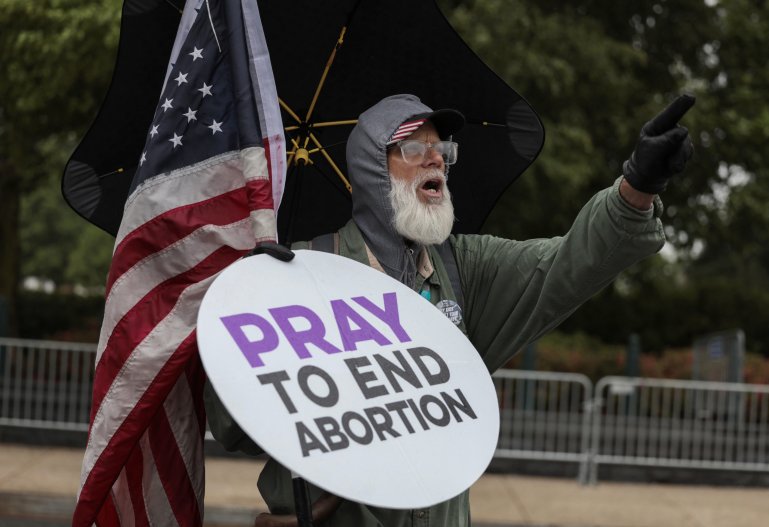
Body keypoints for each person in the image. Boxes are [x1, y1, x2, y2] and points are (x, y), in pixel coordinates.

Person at [205, 93, 694, 526]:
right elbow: (231, 428)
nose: (436, 159)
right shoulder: (302, 274)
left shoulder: (465, 269)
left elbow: (566, 265)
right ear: (374, 169)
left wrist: (636, 187)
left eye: (443, 150)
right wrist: (251, 307)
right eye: (415, 148)